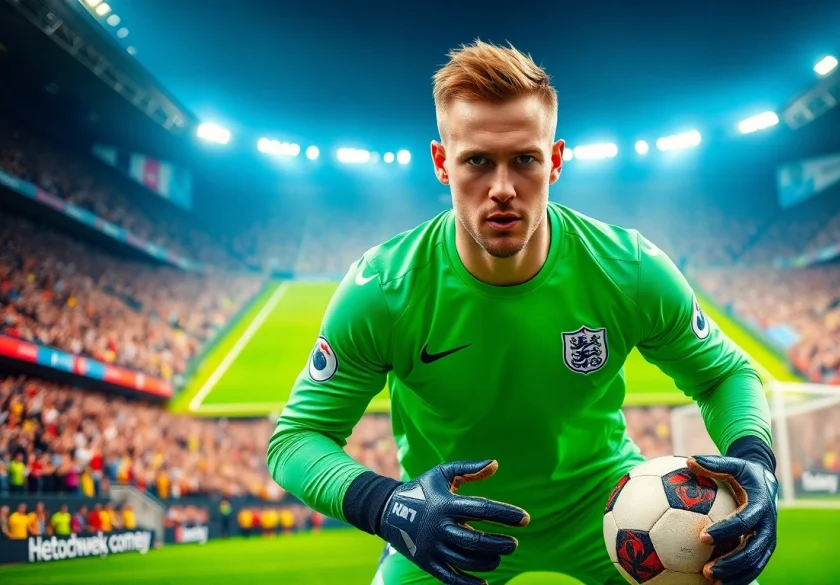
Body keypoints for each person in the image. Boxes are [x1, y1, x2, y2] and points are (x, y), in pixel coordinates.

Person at [267, 40, 778, 585]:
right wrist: (389, 505)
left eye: (525, 160)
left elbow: (725, 374)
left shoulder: (627, 268)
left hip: (612, 514)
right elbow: (295, 439)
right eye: (478, 162)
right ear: (442, 164)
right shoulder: (383, 289)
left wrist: (757, 463)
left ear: (555, 161)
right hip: (452, 521)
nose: (503, 189)